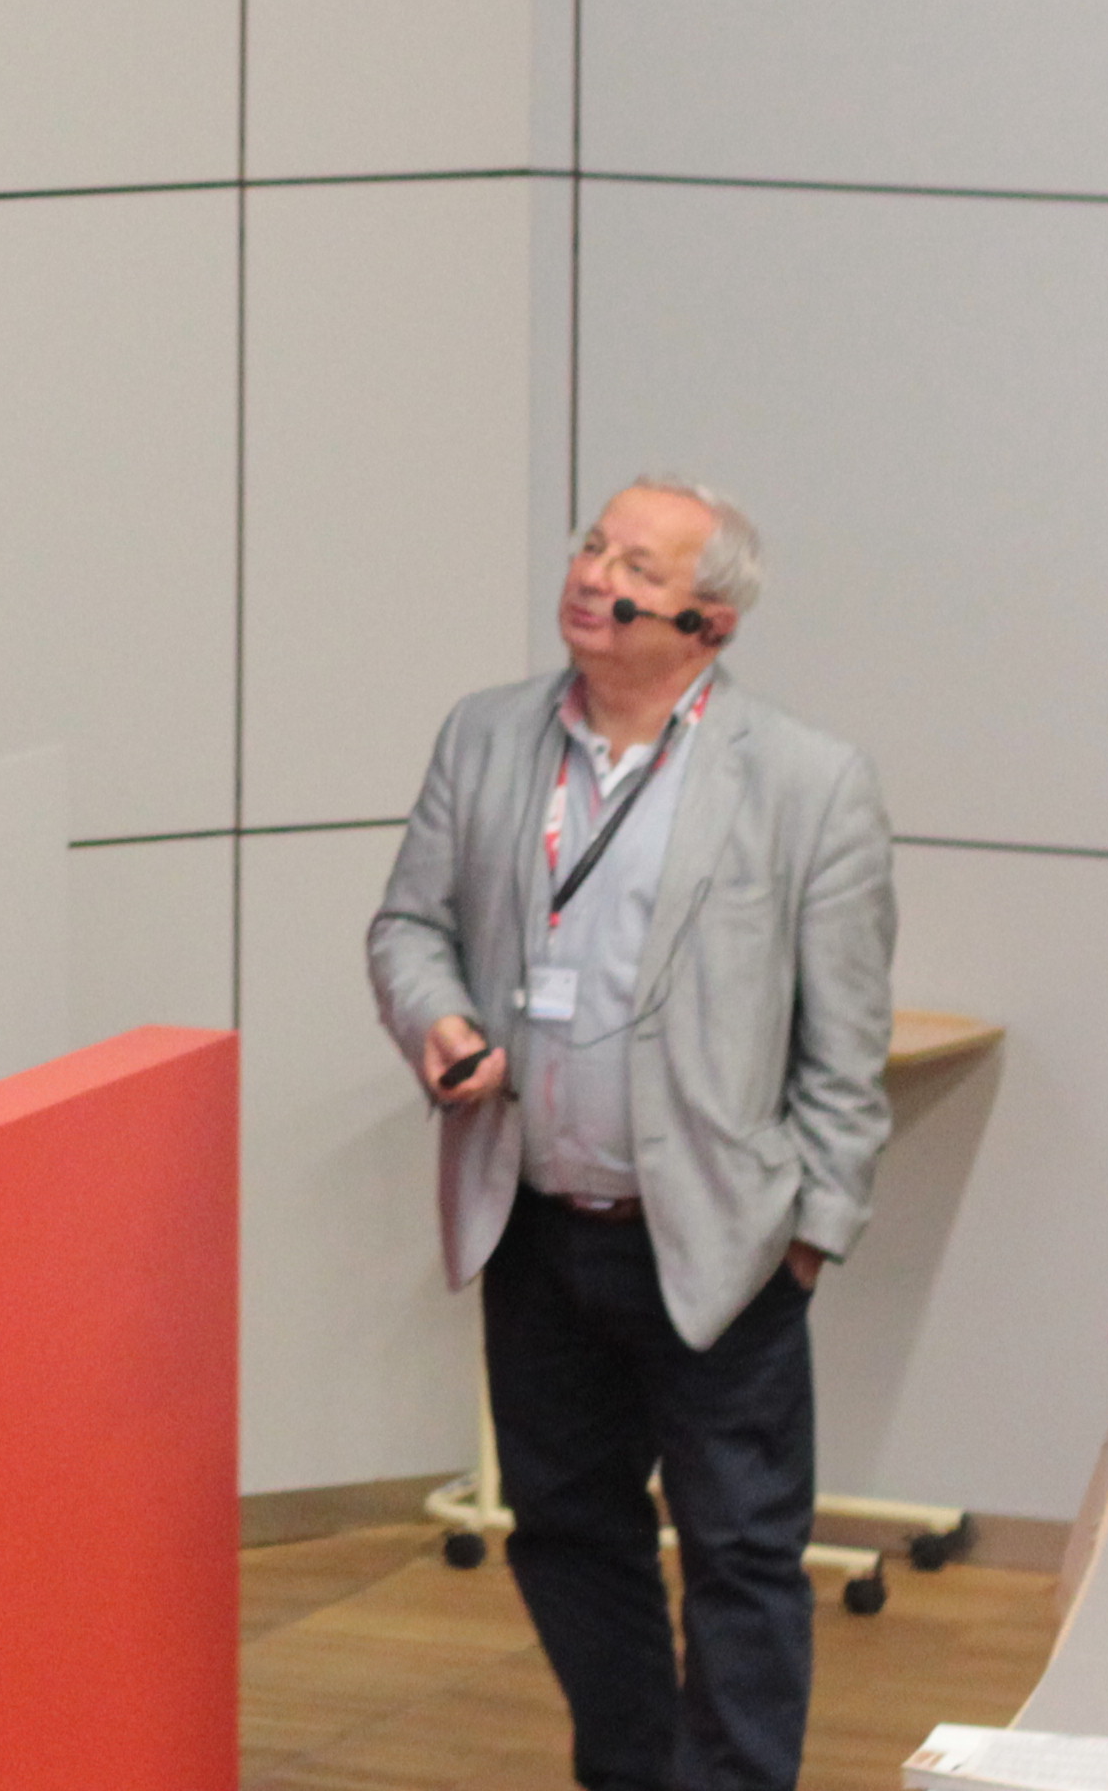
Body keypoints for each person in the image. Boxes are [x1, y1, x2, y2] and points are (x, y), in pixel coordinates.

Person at [368, 477, 895, 1791]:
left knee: (740, 1554)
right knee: (564, 1532)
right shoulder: (486, 736)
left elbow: (845, 1046)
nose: (593, 576)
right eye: (593, 546)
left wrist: (812, 1238)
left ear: (708, 622)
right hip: (535, 1224)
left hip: (721, 1243)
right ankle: (631, 1770)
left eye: (635, 567)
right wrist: (436, 1021)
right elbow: (409, 927)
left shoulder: (807, 782)